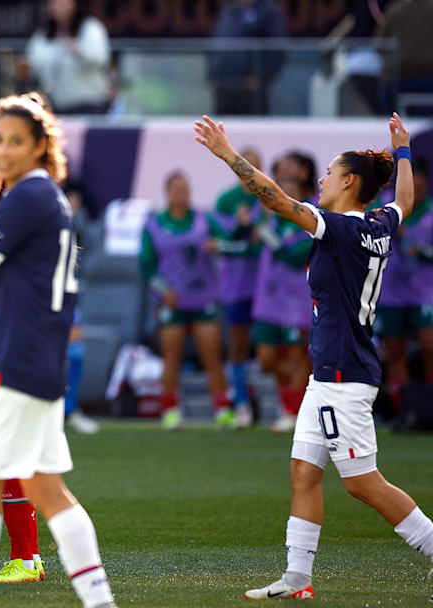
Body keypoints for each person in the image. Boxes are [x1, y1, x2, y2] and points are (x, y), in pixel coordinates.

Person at [195, 113, 433, 601]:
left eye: (328, 172)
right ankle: (297, 579)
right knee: (304, 470)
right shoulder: (378, 222)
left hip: (342, 372)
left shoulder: (341, 229)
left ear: (348, 182)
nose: (320, 179)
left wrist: (227, 155)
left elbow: (278, 201)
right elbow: (404, 200)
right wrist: (403, 149)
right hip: (332, 371)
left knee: (364, 483)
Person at [0, 92, 115, 608]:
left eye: (16, 141)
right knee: (48, 491)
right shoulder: (45, 198)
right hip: (33, 363)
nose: (4, 150)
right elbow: (19, 299)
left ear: (41, 147)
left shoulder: (28, 198)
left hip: (13, 371)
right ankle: (100, 602)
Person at [139, 171, 232, 429]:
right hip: (172, 299)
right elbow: (146, 264)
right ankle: (170, 409)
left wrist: (218, 245)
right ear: (167, 192)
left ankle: (222, 408)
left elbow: (226, 242)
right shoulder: (155, 224)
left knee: (212, 354)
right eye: (176, 189)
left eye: (186, 188)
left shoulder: (204, 220)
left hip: (203, 296)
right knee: (172, 355)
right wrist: (163, 291)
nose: (182, 194)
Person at [251, 173, 314, 434]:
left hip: (297, 301)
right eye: (280, 191)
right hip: (269, 300)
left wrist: (265, 235)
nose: (282, 196)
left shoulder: (308, 221)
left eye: (289, 191)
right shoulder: (271, 220)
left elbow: (295, 258)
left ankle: (291, 410)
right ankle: (297, 398)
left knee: (299, 354)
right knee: (266, 357)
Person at [373, 157, 433, 408]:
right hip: (391, 292)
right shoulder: (385, 207)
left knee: (430, 348)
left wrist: (419, 250)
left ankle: (428, 405)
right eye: (411, 188)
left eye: (420, 189)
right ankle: (404, 408)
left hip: (424, 292)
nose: (415, 194)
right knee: (394, 352)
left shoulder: (430, 213)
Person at [213, 147, 263, 428]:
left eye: (254, 164)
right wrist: (241, 227)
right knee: (238, 344)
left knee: (274, 345)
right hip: (236, 283)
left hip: (270, 284)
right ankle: (242, 402)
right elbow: (221, 242)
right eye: (245, 164)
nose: (249, 169)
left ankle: (287, 404)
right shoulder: (226, 200)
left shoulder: (269, 195)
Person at [25, 0, 111, 114]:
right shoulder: (43, 33)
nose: (58, 7)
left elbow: (100, 59)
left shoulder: (90, 27)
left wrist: (78, 51)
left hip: (87, 106)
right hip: (53, 107)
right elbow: (31, 64)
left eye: (63, 3)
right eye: (54, 3)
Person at [207, 0, 287, 115]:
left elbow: (276, 49)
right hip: (224, 88)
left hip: (250, 91)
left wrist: (259, 77)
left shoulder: (268, 10)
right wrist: (213, 74)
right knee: (222, 128)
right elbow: (215, 44)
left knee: (250, 130)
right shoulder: (230, 9)